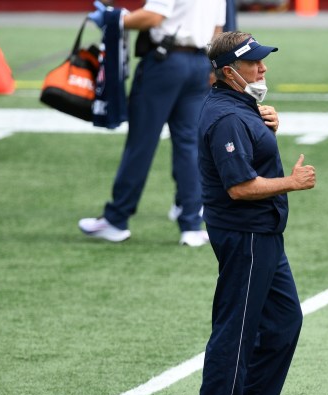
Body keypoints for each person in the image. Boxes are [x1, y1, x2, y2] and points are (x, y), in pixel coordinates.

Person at [187, 31, 316, 395]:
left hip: (263, 235)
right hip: (246, 236)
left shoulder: (242, 107)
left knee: (283, 322)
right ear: (229, 72)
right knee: (236, 334)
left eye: (262, 60)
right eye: (253, 63)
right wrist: (291, 183)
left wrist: (268, 129)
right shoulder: (227, 117)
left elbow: (249, 156)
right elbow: (239, 187)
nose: (262, 68)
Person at [78, 0, 225, 247]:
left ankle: (116, 219)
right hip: (198, 63)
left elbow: (154, 17)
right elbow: (217, 29)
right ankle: (190, 224)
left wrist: (115, 19)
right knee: (189, 145)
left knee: (141, 143)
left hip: (165, 61)